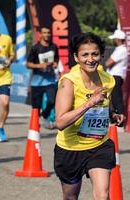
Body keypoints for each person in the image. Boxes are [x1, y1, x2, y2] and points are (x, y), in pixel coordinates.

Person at [54, 32, 125, 200]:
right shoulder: (68, 82)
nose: (90, 59)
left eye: (95, 53)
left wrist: (112, 115)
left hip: (99, 145)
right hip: (70, 149)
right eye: (85, 55)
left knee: (103, 195)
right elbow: (60, 122)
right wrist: (88, 103)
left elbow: (103, 107)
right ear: (76, 57)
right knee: (70, 196)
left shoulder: (108, 80)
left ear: (101, 54)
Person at [26, 26, 59, 129]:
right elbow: (28, 64)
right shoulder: (35, 48)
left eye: (48, 32)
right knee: (36, 106)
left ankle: (44, 115)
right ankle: (35, 126)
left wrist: (55, 64)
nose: (47, 35)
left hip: (50, 80)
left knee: (51, 101)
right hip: (37, 82)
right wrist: (39, 66)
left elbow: (57, 60)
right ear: (40, 34)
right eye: (44, 33)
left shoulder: (54, 47)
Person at [105, 29, 128, 118]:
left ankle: (120, 119)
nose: (113, 40)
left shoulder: (121, 50)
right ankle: (116, 118)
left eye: (114, 39)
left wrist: (106, 63)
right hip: (114, 76)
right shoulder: (119, 49)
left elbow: (108, 63)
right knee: (112, 98)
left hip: (116, 77)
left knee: (116, 99)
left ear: (118, 40)